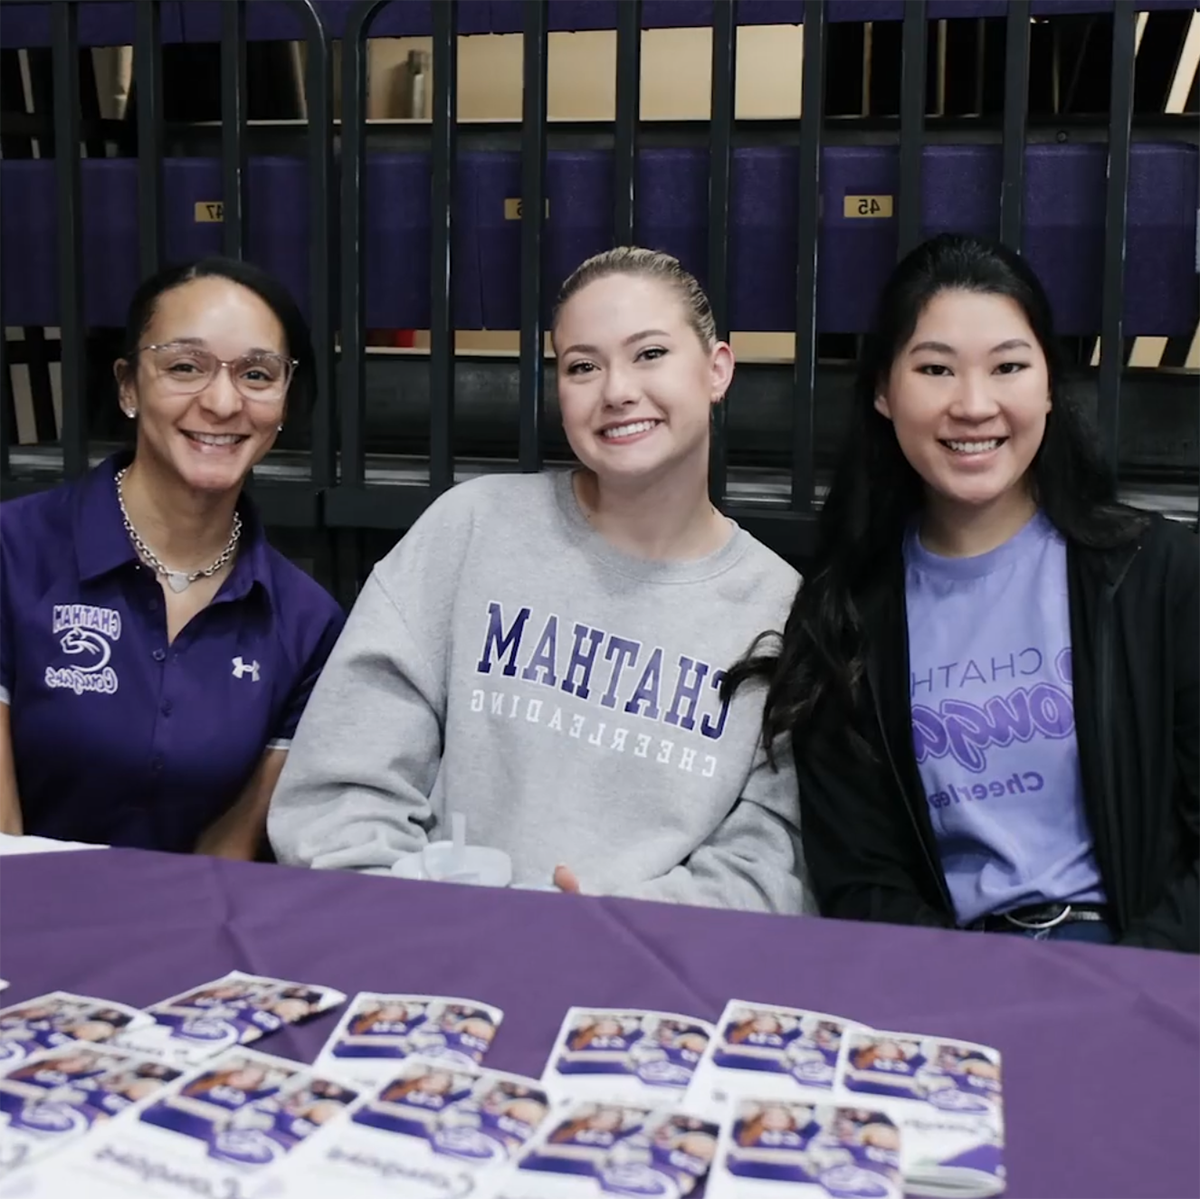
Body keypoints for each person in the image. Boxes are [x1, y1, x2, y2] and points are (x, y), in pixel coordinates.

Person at [268, 246, 811, 913]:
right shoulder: (471, 529)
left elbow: (770, 865)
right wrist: (425, 918)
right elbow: (339, 792)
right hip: (425, 954)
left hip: (650, 982)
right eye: (583, 365)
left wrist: (617, 926)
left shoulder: (780, 609)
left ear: (717, 369)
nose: (617, 390)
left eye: (649, 354)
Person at [727, 232, 1200, 952]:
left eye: (1008, 365)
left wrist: (1128, 985)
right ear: (885, 390)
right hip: (951, 976)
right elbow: (862, 879)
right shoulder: (847, 609)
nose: (974, 405)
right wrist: (973, 983)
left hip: (1144, 972)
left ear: (1047, 385)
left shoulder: (1158, 573)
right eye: (936, 370)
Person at [0, 257, 343, 857]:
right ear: (128, 384)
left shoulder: (309, 623)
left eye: (257, 375)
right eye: (185, 366)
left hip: (188, 935)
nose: (221, 401)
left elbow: (230, 854)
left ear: (284, 402)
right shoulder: (13, 552)